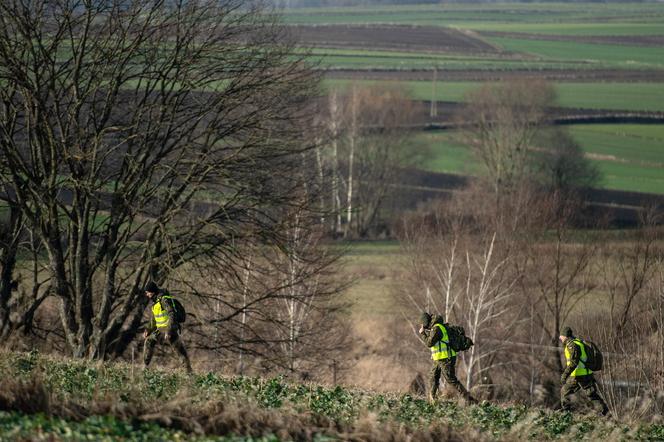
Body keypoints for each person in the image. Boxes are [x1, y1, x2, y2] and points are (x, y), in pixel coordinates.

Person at [419, 312, 477, 404]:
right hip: (439, 358)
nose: (422, 325)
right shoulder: (436, 327)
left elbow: (429, 343)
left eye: (422, 323)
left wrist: (423, 334)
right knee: (433, 377)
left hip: (446, 358)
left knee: (451, 379)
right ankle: (432, 400)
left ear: (426, 321)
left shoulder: (437, 328)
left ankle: (468, 399)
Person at [142, 281, 192, 373]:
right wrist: (148, 330)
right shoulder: (155, 302)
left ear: (152, 291)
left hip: (169, 328)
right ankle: (145, 367)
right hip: (160, 329)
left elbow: (172, 314)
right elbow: (154, 320)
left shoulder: (164, 300)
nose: (146, 294)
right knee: (149, 341)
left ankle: (188, 371)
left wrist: (169, 330)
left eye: (147, 292)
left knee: (178, 349)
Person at [559, 326, 609, 416]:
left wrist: (565, 375)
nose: (560, 338)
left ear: (565, 336)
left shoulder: (571, 345)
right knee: (592, 395)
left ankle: (566, 415)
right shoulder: (580, 342)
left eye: (561, 336)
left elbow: (573, 362)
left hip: (577, 375)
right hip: (587, 373)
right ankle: (605, 413)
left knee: (565, 392)